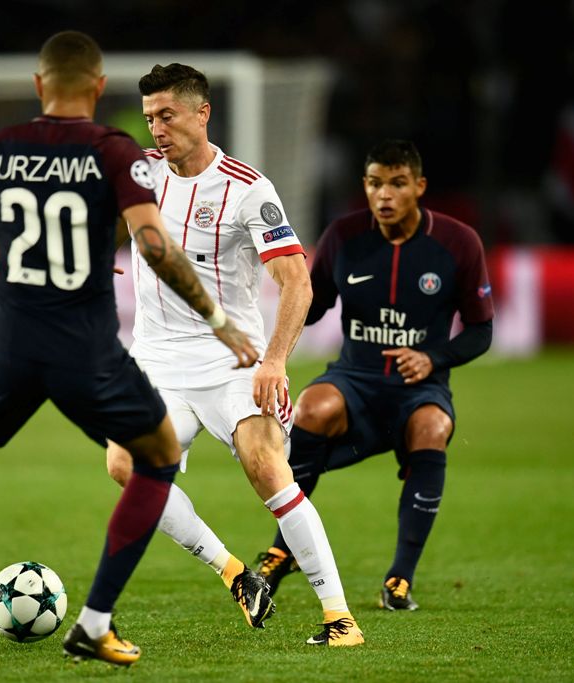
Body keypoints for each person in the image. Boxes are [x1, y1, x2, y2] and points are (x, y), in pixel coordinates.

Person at [0, 32, 258, 672]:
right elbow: (157, 247)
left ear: (38, 86)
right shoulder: (115, 153)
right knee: (157, 458)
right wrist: (218, 318)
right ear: (97, 85)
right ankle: (94, 622)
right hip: (85, 348)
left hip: (6, 338)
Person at [106, 63, 364, 647]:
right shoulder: (140, 175)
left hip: (232, 363)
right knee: (125, 465)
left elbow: (297, 283)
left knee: (266, 467)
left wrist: (275, 361)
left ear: (203, 113)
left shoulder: (248, 189)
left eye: (167, 115)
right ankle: (235, 574)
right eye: (150, 117)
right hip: (156, 361)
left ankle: (339, 617)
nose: (157, 128)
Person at [254, 139, 494, 611]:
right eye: (374, 183)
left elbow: (482, 330)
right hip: (356, 379)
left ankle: (400, 578)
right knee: (311, 407)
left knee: (433, 427)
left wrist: (433, 359)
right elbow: (313, 303)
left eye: (397, 184)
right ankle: (283, 550)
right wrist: (269, 346)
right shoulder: (343, 236)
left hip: (418, 389)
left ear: (419, 187)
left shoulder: (458, 243)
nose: (384, 195)